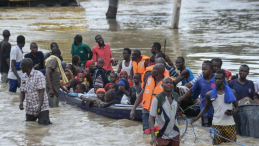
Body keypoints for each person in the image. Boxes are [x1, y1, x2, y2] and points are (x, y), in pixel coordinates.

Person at [192, 69, 239, 145]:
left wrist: (232, 113)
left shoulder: (232, 92)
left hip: (230, 124)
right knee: (216, 144)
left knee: (231, 144)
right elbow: (206, 108)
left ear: (224, 79)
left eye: (219, 79)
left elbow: (237, 108)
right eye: (216, 78)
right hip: (216, 124)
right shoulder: (209, 94)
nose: (217, 80)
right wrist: (197, 118)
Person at [149, 77, 185, 146]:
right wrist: (153, 136)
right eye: (166, 83)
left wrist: (181, 114)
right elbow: (151, 117)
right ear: (162, 85)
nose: (169, 84)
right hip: (162, 132)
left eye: (170, 83)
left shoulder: (176, 96)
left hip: (174, 131)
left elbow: (175, 107)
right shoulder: (157, 98)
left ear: (173, 85)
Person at [178, 61, 215, 127]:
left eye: (205, 70)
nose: (203, 71)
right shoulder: (199, 81)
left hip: (216, 109)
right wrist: (181, 99)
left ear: (211, 70)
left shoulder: (217, 79)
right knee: (206, 127)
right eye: (202, 69)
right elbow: (190, 91)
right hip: (204, 109)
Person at [130, 64, 165, 131]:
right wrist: (133, 109)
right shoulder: (149, 79)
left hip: (159, 114)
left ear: (159, 71)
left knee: (159, 134)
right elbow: (141, 95)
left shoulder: (166, 83)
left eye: (153, 69)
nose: (151, 70)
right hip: (146, 112)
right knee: (146, 133)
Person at [19, 58, 51, 125]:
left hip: (42, 108)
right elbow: (22, 91)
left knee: (44, 126)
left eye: (21, 65)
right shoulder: (23, 77)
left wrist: (39, 106)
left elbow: (41, 92)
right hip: (30, 108)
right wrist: (21, 102)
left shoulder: (39, 75)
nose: (20, 67)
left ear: (26, 67)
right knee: (29, 125)